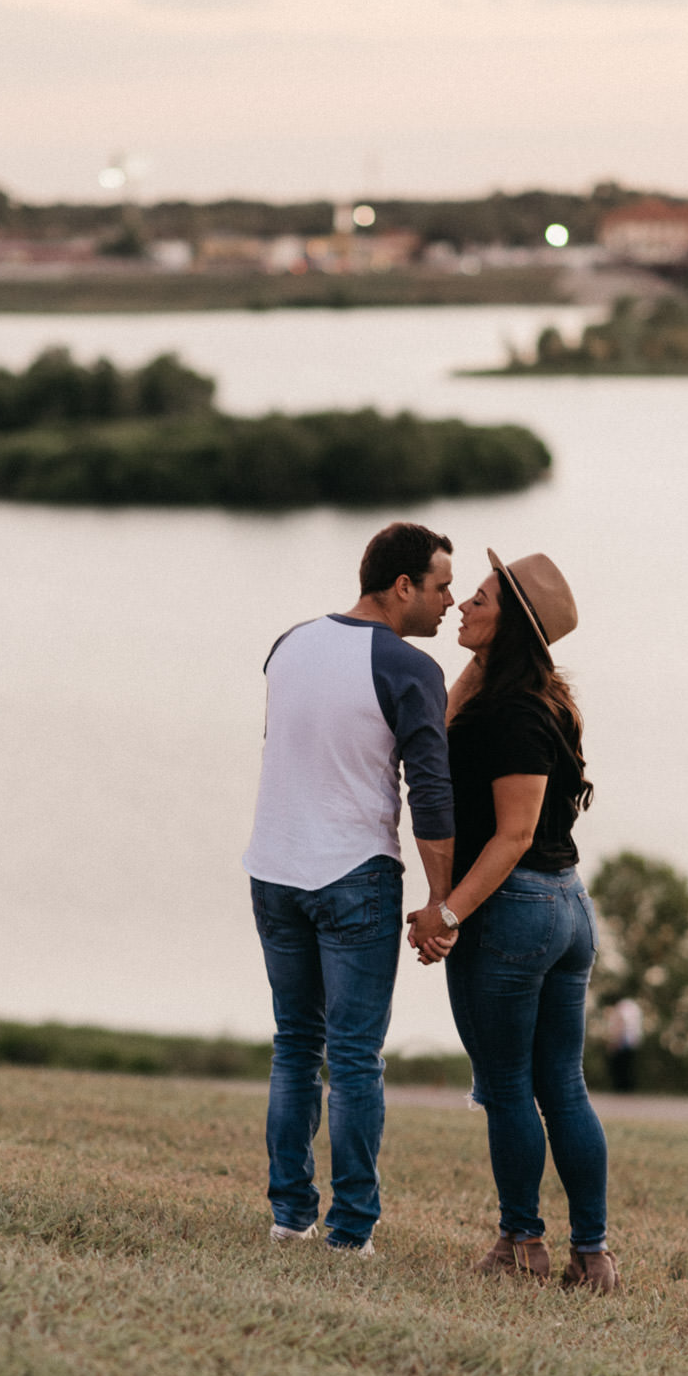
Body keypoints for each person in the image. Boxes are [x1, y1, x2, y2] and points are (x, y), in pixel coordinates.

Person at [407, 549, 619, 1292]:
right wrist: (484, 654)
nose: (462, 605)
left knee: (507, 1087)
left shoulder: (515, 713)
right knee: (562, 1084)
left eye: (482, 601)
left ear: (513, 627)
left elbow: (514, 833)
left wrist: (448, 912)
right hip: (565, 908)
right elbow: (437, 729)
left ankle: (522, 1245)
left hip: (515, 910)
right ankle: (590, 1257)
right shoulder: (530, 699)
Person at [244, 522, 456, 1255]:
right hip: (352, 874)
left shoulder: (289, 643)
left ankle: (288, 1216)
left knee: (295, 1046)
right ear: (403, 587)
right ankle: (350, 1233)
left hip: (272, 869)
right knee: (356, 1058)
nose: (450, 603)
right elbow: (432, 795)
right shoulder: (409, 669)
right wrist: (441, 904)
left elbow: (287, 745)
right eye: (440, 587)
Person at [606, 995, 644, 1093]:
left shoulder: (621, 1007)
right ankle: (629, 1088)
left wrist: (615, 1041)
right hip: (633, 1040)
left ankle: (621, 1089)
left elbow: (620, 1023)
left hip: (624, 1041)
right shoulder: (634, 1006)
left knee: (620, 1067)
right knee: (629, 1066)